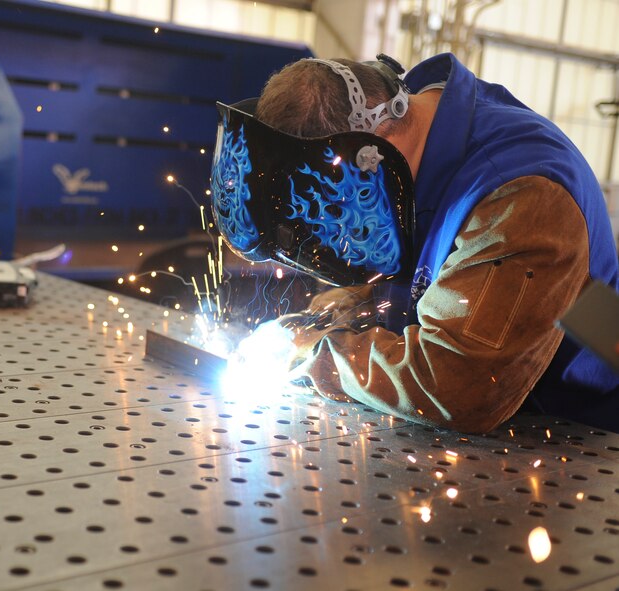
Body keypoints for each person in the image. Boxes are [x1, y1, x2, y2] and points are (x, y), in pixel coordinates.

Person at [210, 52, 618, 433]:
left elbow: (458, 384)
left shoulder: (522, 196)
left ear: (368, 154)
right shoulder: (415, 155)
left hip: (583, 433)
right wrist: (314, 326)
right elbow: (394, 279)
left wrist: (317, 360)